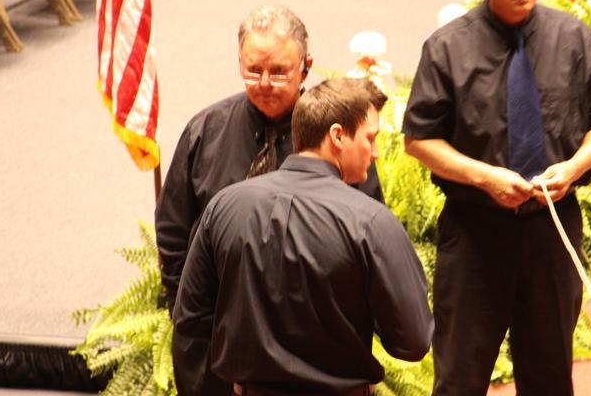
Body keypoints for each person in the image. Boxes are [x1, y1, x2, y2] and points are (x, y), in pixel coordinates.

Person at [402, 0, 591, 395]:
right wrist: (484, 177)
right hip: (474, 232)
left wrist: (574, 167)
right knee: (459, 379)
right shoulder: (447, 49)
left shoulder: (572, 38)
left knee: (549, 377)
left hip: (552, 229)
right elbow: (419, 139)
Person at [172, 77, 434, 396]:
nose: (376, 152)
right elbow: (413, 341)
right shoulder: (371, 222)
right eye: (370, 138)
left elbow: (190, 318)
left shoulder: (224, 206)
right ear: (337, 135)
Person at [155, 5, 384, 315]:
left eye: (278, 72)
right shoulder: (205, 131)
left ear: (305, 67)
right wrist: (186, 307)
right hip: (221, 315)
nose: (264, 83)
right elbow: (173, 227)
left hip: (313, 317)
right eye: (253, 70)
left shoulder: (338, 135)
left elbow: (370, 227)